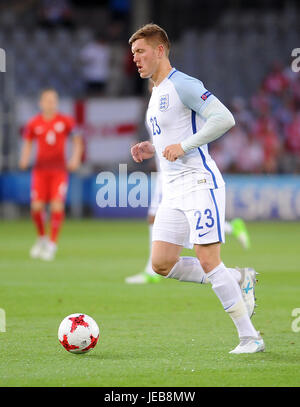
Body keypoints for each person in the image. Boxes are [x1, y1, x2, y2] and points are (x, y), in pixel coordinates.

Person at [128, 23, 264, 354]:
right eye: (133, 53)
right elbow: (171, 132)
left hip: (199, 183)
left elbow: (223, 118)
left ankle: (250, 337)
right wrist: (152, 146)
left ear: (160, 50)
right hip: (172, 191)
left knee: (207, 259)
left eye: (141, 51)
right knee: (162, 263)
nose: (135, 59)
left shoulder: (183, 84)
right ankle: (237, 277)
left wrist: (185, 144)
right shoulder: (155, 91)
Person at [19, 88, 83, 261]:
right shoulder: (34, 123)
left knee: (56, 205)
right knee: (36, 207)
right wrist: (24, 158)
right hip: (40, 171)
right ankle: (41, 238)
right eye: (47, 100)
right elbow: (27, 142)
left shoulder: (66, 121)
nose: (50, 103)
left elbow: (77, 141)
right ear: (40, 103)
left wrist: (75, 158)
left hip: (58, 171)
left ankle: (52, 244)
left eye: (53, 100)